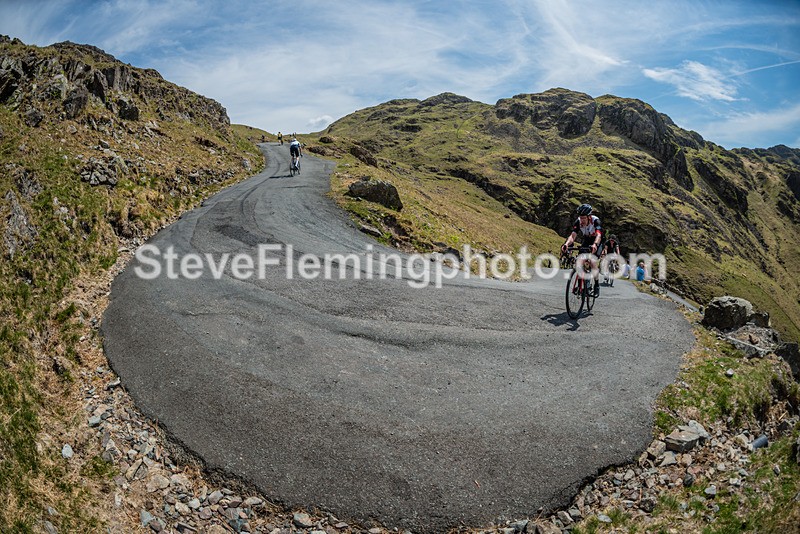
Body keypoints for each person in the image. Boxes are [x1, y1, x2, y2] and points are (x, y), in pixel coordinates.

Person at [561, 203, 603, 297]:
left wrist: (595, 245)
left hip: (598, 241)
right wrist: (566, 244)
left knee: (592, 262)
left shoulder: (596, 221)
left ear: (589, 217)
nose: (582, 220)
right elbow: (573, 236)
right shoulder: (578, 222)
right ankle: (580, 285)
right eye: (581, 217)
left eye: (584, 218)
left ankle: (596, 285)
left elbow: (599, 235)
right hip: (587, 240)